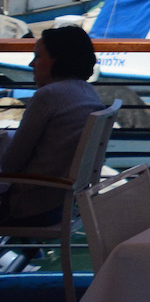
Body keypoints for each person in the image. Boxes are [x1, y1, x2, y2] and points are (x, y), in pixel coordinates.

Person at [0, 26, 104, 225]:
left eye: (38, 56)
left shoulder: (48, 96)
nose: (32, 64)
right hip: (62, 203)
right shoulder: (87, 92)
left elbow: (11, 163)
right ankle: (28, 250)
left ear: (58, 60)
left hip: (28, 207)